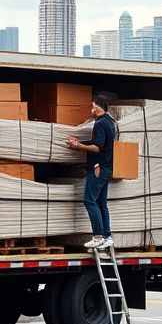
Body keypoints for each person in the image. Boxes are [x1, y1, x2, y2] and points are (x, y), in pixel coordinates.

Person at [66, 95, 116, 249]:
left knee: (89, 201)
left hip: (97, 168)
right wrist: (80, 142)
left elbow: (97, 147)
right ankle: (107, 237)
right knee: (101, 203)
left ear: (98, 107)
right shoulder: (109, 122)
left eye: (92, 106)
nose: (91, 109)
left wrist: (77, 147)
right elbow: (99, 143)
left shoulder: (100, 123)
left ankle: (98, 236)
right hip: (106, 167)